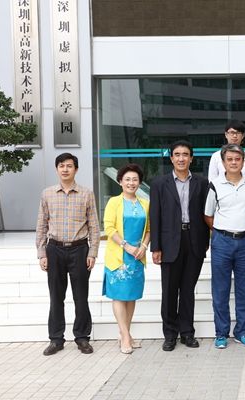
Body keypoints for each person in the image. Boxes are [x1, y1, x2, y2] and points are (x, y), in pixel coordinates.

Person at [35, 153, 100, 356]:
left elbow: (94, 226)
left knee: (81, 296)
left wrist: (92, 252)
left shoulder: (86, 194)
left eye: (69, 166)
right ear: (57, 169)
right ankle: (56, 339)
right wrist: (42, 252)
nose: (65, 169)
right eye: (61, 166)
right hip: (54, 249)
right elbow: (41, 224)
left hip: (79, 249)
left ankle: (82, 337)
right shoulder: (47, 194)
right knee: (56, 296)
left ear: (76, 169)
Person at [150, 140, 210, 351]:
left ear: (191, 158)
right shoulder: (159, 184)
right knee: (169, 291)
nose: (181, 158)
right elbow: (155, 216)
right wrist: (156, 247)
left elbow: (206, 214)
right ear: (171, 158)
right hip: (169, 243)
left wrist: (205, 242)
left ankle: (187, 333)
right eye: (177, 154)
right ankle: (170, 334)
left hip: (194, 241)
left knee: (187, 290)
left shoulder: (202, 183)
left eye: (185, 154)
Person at [204, 144, 245, 349]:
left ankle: (242, 332)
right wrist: (224, 229)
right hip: (222, 242)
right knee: (220, 290)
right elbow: (208, 215)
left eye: (238, 159)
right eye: (230, 159)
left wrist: (240, 226)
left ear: (243, 162)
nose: (234, 162)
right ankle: (221, 333)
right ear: (223, 162)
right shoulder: (215, 185)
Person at [103, 163, 150, 354]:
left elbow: (149, 229)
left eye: (135, 180)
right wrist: (126, 246)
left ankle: (126, 334)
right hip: (119, 256)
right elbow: (109, 228)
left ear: (139, 182)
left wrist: (143, 247)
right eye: (127, 179)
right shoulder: (114, 202)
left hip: (137, 256)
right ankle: (124, 336)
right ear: (120, 181)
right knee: (119, 296)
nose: (131, 183)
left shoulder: (145, 203)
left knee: (131, 297)